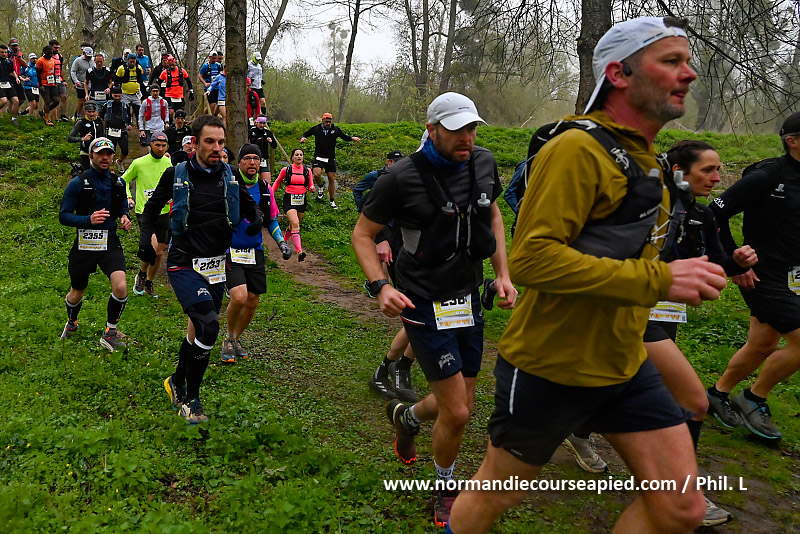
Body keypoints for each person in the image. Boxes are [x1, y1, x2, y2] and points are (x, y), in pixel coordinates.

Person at [444, 17, 731, 534]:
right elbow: (532, 259)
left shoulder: (647, 161)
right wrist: (658, 281)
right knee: (496, 495)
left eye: (687, 62)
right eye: (671, 61)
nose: (688, 74)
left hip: (624, 362)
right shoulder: (578, 149)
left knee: (680, 507)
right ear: (618, 74)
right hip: (551, 365)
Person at [564, 140, 757, 527]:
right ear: (679, 171)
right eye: (708, 170)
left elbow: (713, 261)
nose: (717, 178)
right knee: (691, 400)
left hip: (664, 315)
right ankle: (682, 493)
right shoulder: (645, 208)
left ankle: (577, 428)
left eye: (718, 170)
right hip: (626, 314)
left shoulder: (702, 214)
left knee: (624, 391)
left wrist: (735, 262)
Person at [352, 92, 517, 528]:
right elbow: (362, 234)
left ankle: (407, 417)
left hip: (467, 296)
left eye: (472, 128)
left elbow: (492, 216)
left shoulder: (483, 162)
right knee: (458, 412)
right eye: (457, 129)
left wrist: (502, 274)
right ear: (432, 129)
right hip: (422, 299)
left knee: (460, 403)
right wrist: (381, 286)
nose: (467, 137)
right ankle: (444, 488)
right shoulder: (400, 178)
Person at [142, 115, 263, 424]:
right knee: (209, 325)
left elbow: (249, 204)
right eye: (210, 141)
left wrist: (256, 218)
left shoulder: (230, 175)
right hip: (184, 261)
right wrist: (146, 241)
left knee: (199, 330)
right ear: (195, 143)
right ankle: (191, 400)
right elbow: (152, 208)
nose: (217, 148)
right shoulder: (176, 174)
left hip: (216, 263)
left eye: (221, 142)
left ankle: (176, 380)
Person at [705, 111, 800, 441]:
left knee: (762, 343)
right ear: (793, 142)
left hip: (795, 275)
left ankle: (716, 394)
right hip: (762, 275)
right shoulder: (766, 176)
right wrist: (734, 262)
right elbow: (713, 214)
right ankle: (753, 398)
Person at [354, 151, 420, 403]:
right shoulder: (394, 178)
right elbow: (367, 209)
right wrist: (381, 239)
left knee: (430, 319)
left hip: (436, 261)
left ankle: (400, 367)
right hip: (403, 254)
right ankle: (390, 369)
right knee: (418, 316)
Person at [220, 144, 292, 363]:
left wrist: (281, 243)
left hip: (254, 251)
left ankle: (235, 338)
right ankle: (227, 338)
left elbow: (271, 220)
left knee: (252, 301)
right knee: (239, 296)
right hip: (231, 250)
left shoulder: (264, 188)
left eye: (256, 159)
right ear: (240, 162)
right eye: (247, 158)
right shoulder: (229, 185)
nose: (252, 162)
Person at [58, 137, 132, 351]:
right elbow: (63, 216)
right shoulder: (77, 183)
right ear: (91, 156)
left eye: (109, 154)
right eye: (100, 154)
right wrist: (87, 220)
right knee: (76, 292)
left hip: (109, 241)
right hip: (85, 244)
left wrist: (125, 217)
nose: (105, 157)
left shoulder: (119, 183)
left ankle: (110, 332)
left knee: (120, 286)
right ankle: (72, 322)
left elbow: (121, 206)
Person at [124, 131, 173, 297]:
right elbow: (123, 180)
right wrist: (128, 197)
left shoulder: (168, 163)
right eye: (157, 145)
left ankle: (148, 280)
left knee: (160, 251)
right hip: (144, 211)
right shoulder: (139, 163)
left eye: (163, 145)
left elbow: (174, 183)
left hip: (163, 211)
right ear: (150, 144)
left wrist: (171, 195)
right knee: (156, 250)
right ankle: (142, 275)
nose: (160, 148)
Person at [300, 112, 361, 209]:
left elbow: (344, 137)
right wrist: (303, 138)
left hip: (330, 157)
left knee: (331, 178)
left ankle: (332, 201)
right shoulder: (316, 129)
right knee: (316, 174)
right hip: (319, 156)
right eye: (326, 122)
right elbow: (306, 134)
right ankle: (321, 187)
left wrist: (352, 138)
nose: (328, 123)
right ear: (323, 120)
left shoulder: (335, 129)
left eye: (329, 121)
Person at [271, 148, 315, 261]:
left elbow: (310, 184)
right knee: (295, 223)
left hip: (301, 200)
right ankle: (300, 251)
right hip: (289, 199)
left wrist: (312, 188)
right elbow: (278, 181)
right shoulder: (287, 170)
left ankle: (284, 241)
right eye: (296, 155)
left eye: (301, 155)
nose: (299, 156)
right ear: (292, 157)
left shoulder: (307, 171)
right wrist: (271, 193)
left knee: (294, 224)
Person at [67, 101, 105, 170]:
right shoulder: (81, 122)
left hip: (98, 153)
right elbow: (70, 138)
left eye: (93, 112)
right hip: (86, 153)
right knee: (86, 173)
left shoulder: (100, 121)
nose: (92, 114)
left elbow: (103, 135)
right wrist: (82, 139)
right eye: (89, 112)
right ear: (85, 112)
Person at [101, 86, 131, 172]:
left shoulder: (125, 105)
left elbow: (129, 116)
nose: (117, 98)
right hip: (110, 130)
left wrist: (129, 124)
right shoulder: (107, 105)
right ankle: (111, 168)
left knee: (125, 151)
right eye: (115, 96)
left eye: (119, 96)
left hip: (122, 130)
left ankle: (119, 161)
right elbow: (101, 115)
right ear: (112, 95)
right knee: (110, 150)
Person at [158, 55, 193, 123]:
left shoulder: (182, 71)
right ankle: (170, 123)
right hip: (169, 95)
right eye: (170, 65)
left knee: (180, 113)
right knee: (170, 112)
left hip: (179, 95)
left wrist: (191, 92)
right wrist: (160, 93)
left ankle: (181, 124)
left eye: (173, 65)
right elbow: (158, 83)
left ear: (175, 63)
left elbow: (188, 81)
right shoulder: (164, 72)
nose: (171, 67)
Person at [115, 54, 145, 127]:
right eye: (131, 62)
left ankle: (140, 126)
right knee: (125, 110)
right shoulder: (121, 68)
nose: (132, 63)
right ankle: (127, 124)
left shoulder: (139, 68)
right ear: (127, 61)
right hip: (125, 93)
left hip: (136, 93)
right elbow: (117, 80)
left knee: (138, 110)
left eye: (133, 62)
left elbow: (141, 79)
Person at [248, 115, 277, 184]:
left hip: (264, 158)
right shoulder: (251, 131)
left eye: (263, 123)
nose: (262, 125)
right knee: (255, 180)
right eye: (260, 123)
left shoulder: (267, 132)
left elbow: (274, 145)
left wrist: (271, 141)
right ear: (256, 122)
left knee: (266, 182)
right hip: (254, 158)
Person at [36, 45, 60, 125]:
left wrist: (55, 82)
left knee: (56, 100)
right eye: (48, 53)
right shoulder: (40, 61)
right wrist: (40, 85)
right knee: (47, 101)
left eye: (51, 53)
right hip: (44, 83)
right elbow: (38, 74)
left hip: (52, 83)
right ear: (44, 52)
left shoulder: (53, 60)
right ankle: (47, 119)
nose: (50, 54)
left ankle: (43, 112)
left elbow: (53, 72)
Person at [69, 46, 95, 119]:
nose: (89, 57)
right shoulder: (78, 60)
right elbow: (73, 71)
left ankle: (87, 117)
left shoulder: (94, 60)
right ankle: (76, 116)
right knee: (81, 101)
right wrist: (76, 81)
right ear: (84, 53)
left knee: (89, 101)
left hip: (91, 84)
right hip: (81, 84)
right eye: (88, 56)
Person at [0, 44, 21, 126]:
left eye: (5, 52)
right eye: (2, 52)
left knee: (16, 101)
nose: (4, 54)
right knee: (3, 101)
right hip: (0, 84)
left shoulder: (9, 61)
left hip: (8, 83)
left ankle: (14, 118)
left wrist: (16, 78)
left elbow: (12, 71)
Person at [49, 39, 69, 122]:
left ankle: (63, 115)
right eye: (55, 48)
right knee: (54, 99)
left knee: (64, 96)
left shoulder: (60, 57)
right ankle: (53, 117)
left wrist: (63, 80)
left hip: (59, 79)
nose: (57, 49)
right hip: (50, 80)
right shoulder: (47, 56)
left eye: (58, 48)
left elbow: (60, 69)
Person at [8, 38, 26, 113]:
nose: (15, 47)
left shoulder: (20, 54)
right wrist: (11, 55)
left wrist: (19, 57)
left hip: (17, 77)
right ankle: (11, 114)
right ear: (9, 45)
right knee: (12, 98)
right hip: (9, 77)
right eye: (13, 46)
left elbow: (25, 65)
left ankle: (11, 110)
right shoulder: (6, 53)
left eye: (16, 46)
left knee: (22, 99)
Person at [247, 51, 266, 116]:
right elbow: (245, 75)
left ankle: (263, 116)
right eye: (257, 59)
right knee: (254, 105)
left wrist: (262, 80)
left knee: (263, 102)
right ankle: (252, 117)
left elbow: (259, 75)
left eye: (259, 60)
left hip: (259, 87)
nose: (258, 61)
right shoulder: (249, 65)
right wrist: (249, 80)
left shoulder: (259, 66)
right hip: (252, 87)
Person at [21, 53, 39, 117]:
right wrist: (24, 79)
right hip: (28, 87)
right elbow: (18, 75)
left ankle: (22, 113)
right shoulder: (26, 66)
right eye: (33, 58)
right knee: (32, 104)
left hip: (36, 88)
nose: (34, 60)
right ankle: (30, 118)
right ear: (30, 59)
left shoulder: (37, 67)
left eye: (35, 58)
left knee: (36, 106)